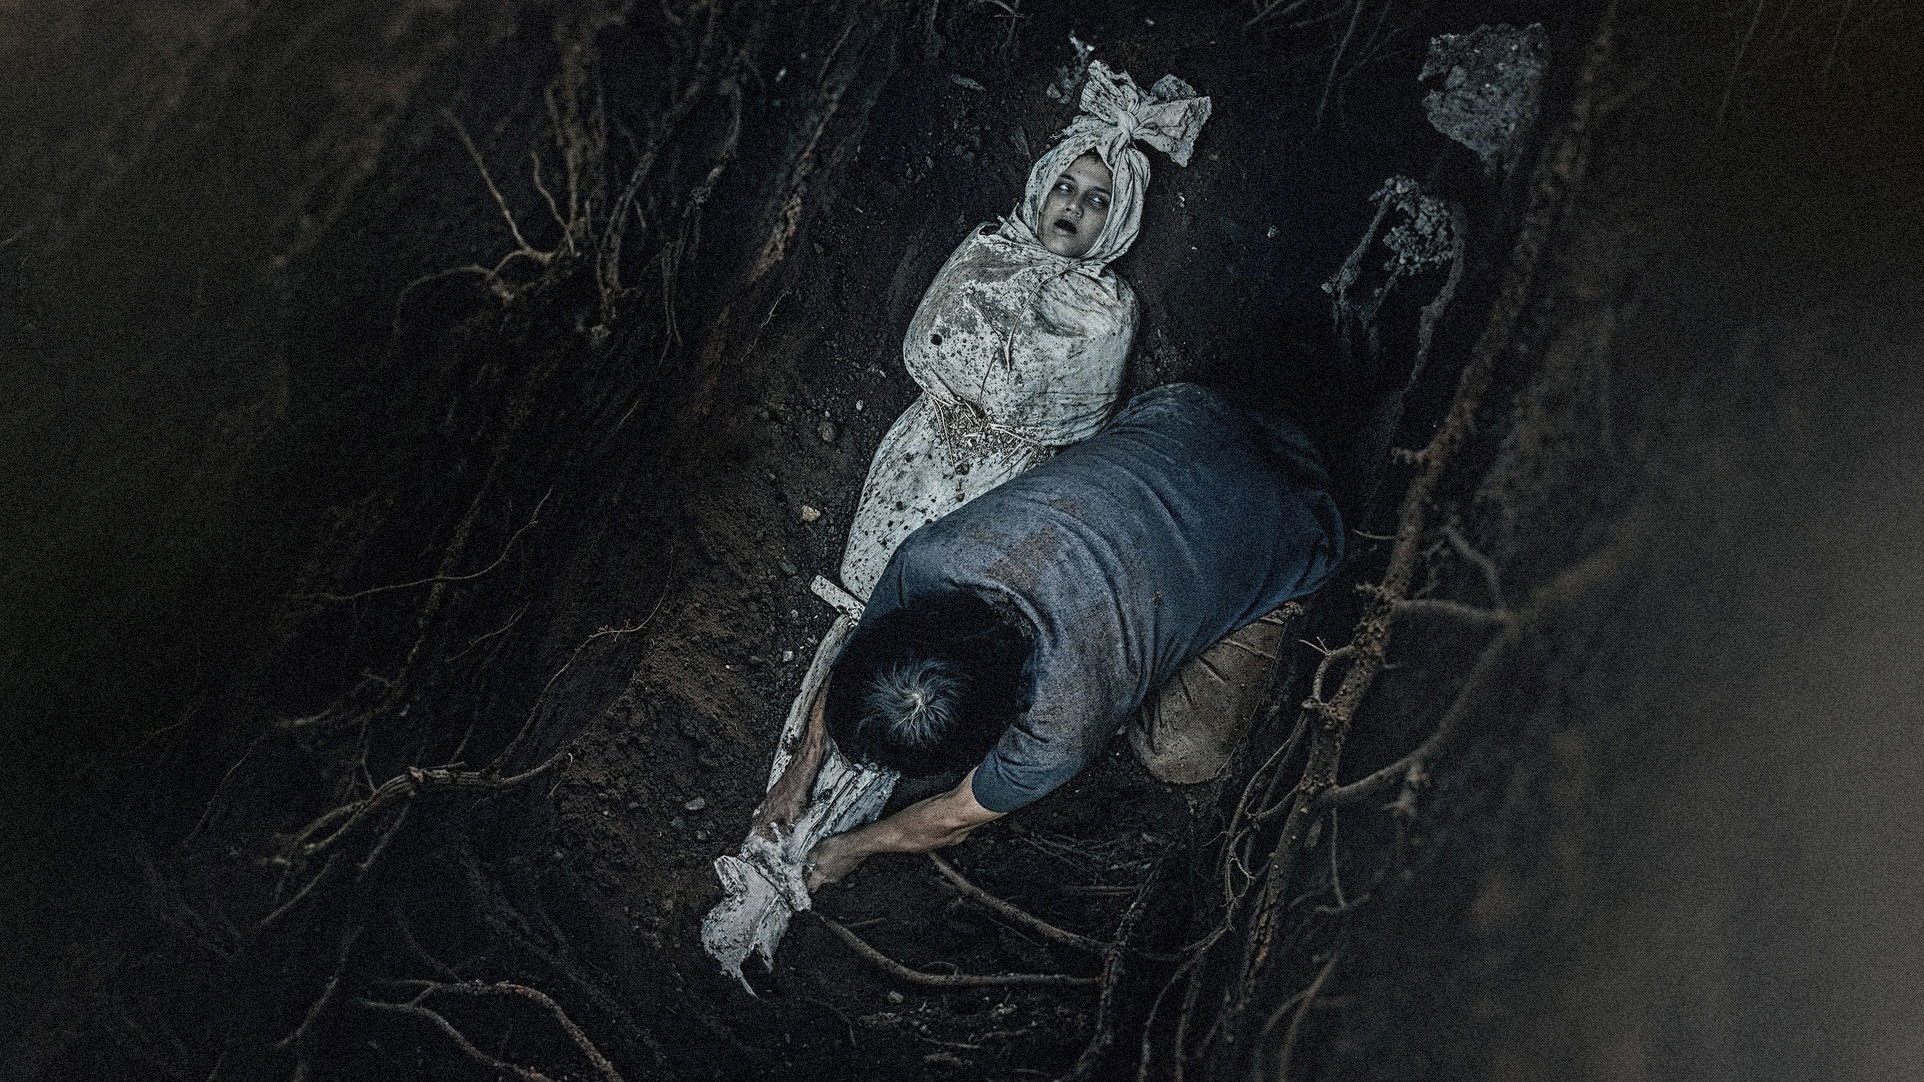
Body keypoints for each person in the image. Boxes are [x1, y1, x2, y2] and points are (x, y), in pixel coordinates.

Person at [757, 382, 1344, 889]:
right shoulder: (935, 560)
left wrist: (853, 847)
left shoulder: (1058, 728)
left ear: (996, 729)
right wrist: (798, 772)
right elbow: (862, 660)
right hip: (1192, 415)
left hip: (1302, 516)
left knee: (1177, 754)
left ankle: (1272, 599)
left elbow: (955, 817)